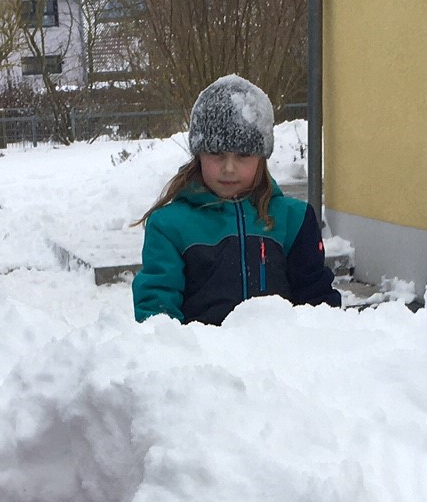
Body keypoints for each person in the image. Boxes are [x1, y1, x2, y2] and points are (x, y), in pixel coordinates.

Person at [134, 74, 342, 325]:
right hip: (205, 359)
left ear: (261, 157)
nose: (229, 168)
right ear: (198, 154)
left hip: (280, 357)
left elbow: (316, 303)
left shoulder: (294, 220)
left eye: (243, 155)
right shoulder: (169, 226)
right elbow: (157, 307)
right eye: (216, 153)